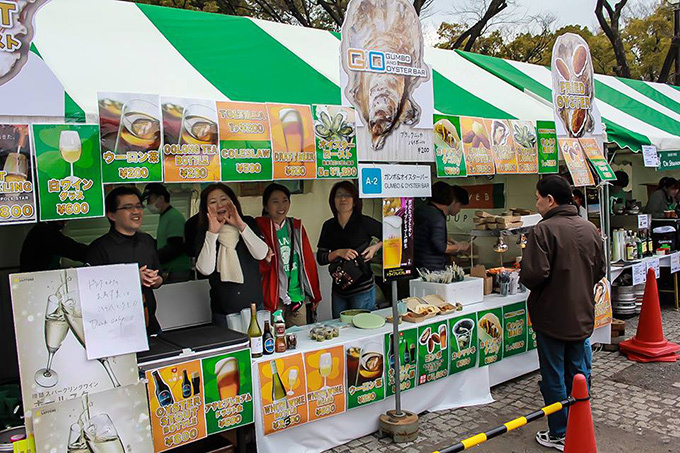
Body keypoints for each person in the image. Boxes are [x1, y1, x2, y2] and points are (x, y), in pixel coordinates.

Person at [519, 176, 605, 451]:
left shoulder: (543, 231)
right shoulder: (590, 228)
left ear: (550, 200)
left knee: (554, 375)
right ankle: (579, 426)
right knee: (579, 373)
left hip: (552, 316)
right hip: (582, 312)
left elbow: (533, 275)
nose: (537, 203)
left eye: (537, 198)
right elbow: (600, 270)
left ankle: (559, 432)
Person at [87, 186, 163, 335]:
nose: (136, 211)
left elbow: (159, 279)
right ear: (112, 215)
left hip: (150, 324)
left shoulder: (147, 241)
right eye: (128, 207)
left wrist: (155, 280)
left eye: (138, 206)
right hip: (115, 330)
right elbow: (93, 293)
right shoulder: (98, 248)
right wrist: (133, 279)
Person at [195, 183, 268, 326]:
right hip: (224, 312)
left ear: (233, 202)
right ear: (206, 208)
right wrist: (212, 233)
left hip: (254, 308)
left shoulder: (248, 223)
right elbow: (205, 269)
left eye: (224, 199)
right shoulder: (204, 232)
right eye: (213, 202)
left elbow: (261, 253)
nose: (220, 205)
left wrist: (240, 225)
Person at [256, 183, 322, 326]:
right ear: (266, 206)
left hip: (297, 296)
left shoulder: (296, 227)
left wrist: (315, 294)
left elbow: (308, 262)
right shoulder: (259, 228)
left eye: (285, 200)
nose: (281, 206)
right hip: (273, 298)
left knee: (299, 341)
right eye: (275, 201)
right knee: (274, 342)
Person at [317, 181, 382, 319]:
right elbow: (321, 258)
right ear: (332, 201)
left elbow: (392, 236)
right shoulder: (329, 226)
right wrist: (338, 252)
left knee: (361, 329)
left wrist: (375, 247)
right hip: (339, 289)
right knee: (340, 329)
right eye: (338, 196)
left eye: (348, 196)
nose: (343, 199)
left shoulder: (365, 222)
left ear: (355, 201)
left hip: (363, 289)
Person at [143, 183, 192, 283]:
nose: (148, 204)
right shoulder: (165, 216)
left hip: (177, 272)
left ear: (160, 198)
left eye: (149, 200)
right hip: (170, 271)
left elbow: (176, 246)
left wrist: (153, 258)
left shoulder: (173, 216)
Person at [414, 182, 462, 272]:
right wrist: (459, 247)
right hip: (432, 267)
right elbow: (441, 247)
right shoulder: (437, 217)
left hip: (418, 263)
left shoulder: (421, 210)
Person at [19, 221, 87, 272]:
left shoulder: (41, 230)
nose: (66, 222)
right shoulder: (44, 232)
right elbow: (73, 250)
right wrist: (95, 252)